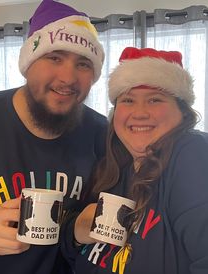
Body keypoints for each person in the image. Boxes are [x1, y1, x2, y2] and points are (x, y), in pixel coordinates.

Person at [0, 0, 107, 273]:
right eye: (54, 57)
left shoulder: (102, 133)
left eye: (83, 64)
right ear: (28, 63)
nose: (68, 78)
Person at [62, 47, 208, 274]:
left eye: (155, 100)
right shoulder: (114, 169)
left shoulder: (192, 153)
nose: (139, 113)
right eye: (128, 100)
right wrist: (76, 233)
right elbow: (72, 256)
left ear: (183, 112)